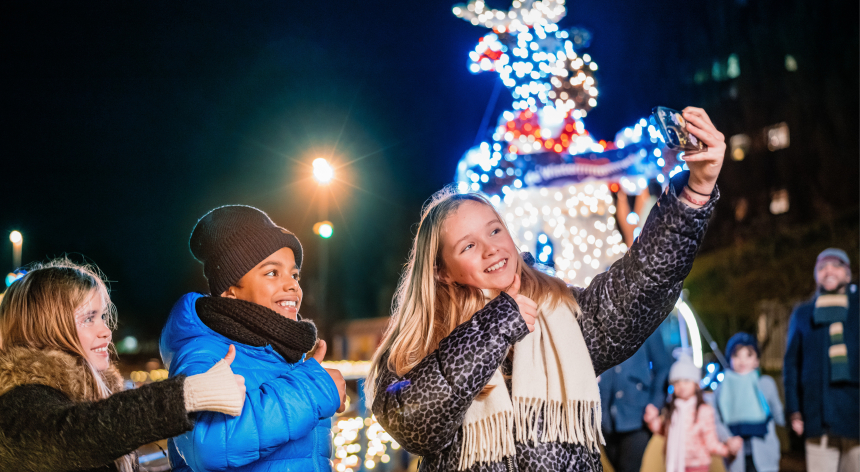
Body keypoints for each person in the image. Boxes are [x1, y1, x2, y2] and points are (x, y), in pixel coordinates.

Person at [366, 108, 726, 471]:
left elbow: (642, 282)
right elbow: (413, 424)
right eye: (468, 246)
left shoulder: (560, 310)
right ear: (442, 271)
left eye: (494, 230)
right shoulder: (415, 343)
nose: (492, 248)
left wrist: (695, 190)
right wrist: (497, 323)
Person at [0, 259, 245, 472]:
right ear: (46, 329)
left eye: (103, 316)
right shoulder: (15, 406)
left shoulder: (83, 399)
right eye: (88, 318)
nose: (106, 331)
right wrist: (190, 394)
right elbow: (77, 434)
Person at [160, 205, 346, 472]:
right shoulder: (203, 351)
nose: (292, 284)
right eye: (272, 272)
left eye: (294, 274)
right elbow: (208, 445)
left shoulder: (282, 354)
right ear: (231, 289)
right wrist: (313, 388)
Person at [784, 248, 859, 472]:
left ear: (847, 273)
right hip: (817, 415)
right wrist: (794, 410)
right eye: (822, 267)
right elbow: (792, 365)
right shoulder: (803, 313)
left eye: (836, 265)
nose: (828, 270)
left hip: (855, 414)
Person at [648, 356, 742, 472]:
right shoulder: (673, 410)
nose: (681, 386)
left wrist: (727, 451)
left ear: (696, 384)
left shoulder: (704, 411)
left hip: (698, 466)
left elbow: (710, 441)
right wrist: (652, 420)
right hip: (675, 466)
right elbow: (664, 430)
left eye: (686, 381)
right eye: (677, 382)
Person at [601, 329, 673, 472]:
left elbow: (663, 367)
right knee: (617, 466)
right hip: (603, 417)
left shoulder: (646, 319)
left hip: (638, 415)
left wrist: (655, 403)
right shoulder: (596, 321)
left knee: (628, 468)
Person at [713, 332, 784, 472]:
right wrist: (727, 439)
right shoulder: (721, 389)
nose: (742, 360)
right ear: (729, 358)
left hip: (765, 454)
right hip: (736, 456)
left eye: (749, 355)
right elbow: (715, 420)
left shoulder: (765, 384)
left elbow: (779, 414)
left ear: (757, 360)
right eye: (737, 355)